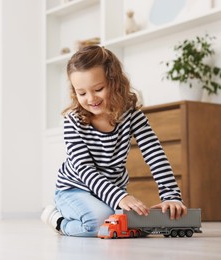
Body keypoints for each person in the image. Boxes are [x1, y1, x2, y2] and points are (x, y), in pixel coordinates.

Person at [40, 45, 187, 237]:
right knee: (99, 223)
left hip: (109, 192)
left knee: (134, 224)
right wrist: (121, 197)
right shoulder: (73, 122)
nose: (91, 98)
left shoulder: (132, 116)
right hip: (74, 189)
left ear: (114, 82)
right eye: (81, 93)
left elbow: (155, 155)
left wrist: (172, 197)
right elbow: (85, 170)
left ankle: (104, 211)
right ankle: (58, 219)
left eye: (98, 89)